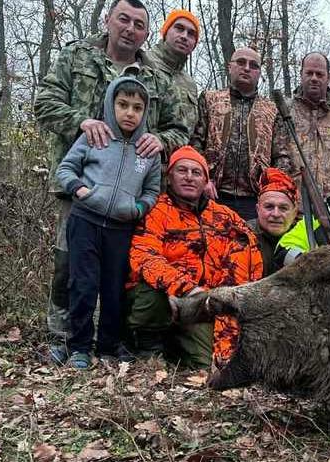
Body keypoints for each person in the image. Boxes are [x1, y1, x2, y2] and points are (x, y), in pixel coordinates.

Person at [35, 0, 190, 365]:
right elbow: (44, 102)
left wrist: (162, 141)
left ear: (147, 33)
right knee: (70, 266)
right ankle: (64, 338)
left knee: (120, 271)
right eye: (124, 19)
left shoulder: (155, 77)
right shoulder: (77, 56)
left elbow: (179, 128)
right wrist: (81, 122)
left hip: (128, 195)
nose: (130, 28)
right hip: (81, 187)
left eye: (139, 24)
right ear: (109, 20)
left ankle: (112, 340)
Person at [54, 77, 162, 368]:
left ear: (144, 112)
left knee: (114, 290)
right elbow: (65, 168)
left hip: (121, 228)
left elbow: (153, 190)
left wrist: (138, 208)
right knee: (83, 285)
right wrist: (79, 189)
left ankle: (107, 348)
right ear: (111, 104)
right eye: (123, 105)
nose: (130, 113)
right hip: (85, 220)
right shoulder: (94, 136)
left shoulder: (148, 150)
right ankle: (78, 347)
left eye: (137, 108)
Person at [126, 147, 262, 368]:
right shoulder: (155, 210)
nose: (189, 177)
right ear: (169, 177)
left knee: (209, 364)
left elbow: (249, 254)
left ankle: (176, 344)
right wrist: (183, 288)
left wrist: (228, 298)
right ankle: (148, 346)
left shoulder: (225, 216)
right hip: (168, 298)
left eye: (196, 172)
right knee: (154, 293)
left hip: (204, 304)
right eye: (182, 170)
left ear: (206, 181)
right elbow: (144, 257)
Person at [190, 47, 292, 220]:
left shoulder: (272, 110)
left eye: (253, 65)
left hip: (254, 200)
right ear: (230, 67)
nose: (246, 68)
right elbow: (195, 144)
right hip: (213, 194)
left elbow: (282, 157)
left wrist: (271, 192)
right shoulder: (209, 99)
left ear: (259, 73)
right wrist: (203, 179)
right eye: (241, 62)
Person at [274, 52, 330, 198]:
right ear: (301, 74)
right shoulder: (283, 112)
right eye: (309, 73)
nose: (314, 78)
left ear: (329, 78)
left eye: (319, 74)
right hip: (292, 207)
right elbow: (276, 160)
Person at [148, 9, 200, 134]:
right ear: (165, 32)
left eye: (191, 34)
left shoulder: (190, 84)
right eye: (179, 28)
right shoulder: (142, 62)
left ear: (194, 44)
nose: (184, 36)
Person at [247, 168, 299, 276]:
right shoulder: (242, 236)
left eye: (283, 208)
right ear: (258, 209)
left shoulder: (307, 238)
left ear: (295, 213)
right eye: (269, 207)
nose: (276, 214)